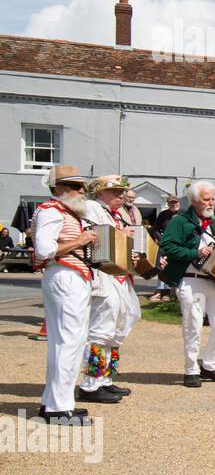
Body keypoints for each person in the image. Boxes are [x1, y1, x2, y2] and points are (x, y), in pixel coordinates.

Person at [159, 181, 215, 387]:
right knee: (193, 325)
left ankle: (209, 365)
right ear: (194, 201)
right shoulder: (179, 221)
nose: (211, 203)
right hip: (192, 280)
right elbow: (167, 246)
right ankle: (191, 370)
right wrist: (194, 253)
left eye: (213, 199)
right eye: (207, 199)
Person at [32, 165, 97, 423]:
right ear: (59, 189)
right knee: (67, 341)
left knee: (70, 341)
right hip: (64, 275)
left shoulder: (66, 212)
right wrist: (80, 241)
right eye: (75, 186)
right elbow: (44, 249)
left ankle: (55, 402)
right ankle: (59, 408)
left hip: (72, 275)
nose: (82, 191)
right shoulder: (51, 210)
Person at [77, 175, 142, 404]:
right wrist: (122, 237)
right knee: (100, 330)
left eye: (122, 192)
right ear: (99, 192)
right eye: (115, 191)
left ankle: (106, 377)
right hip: (104, 277)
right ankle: (90, 384)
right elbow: (96, 238)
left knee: (120, 326)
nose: (121, 195)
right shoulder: (92, 208)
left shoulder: (115, 214)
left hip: (119, 277)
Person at [149, 194, 181, 302]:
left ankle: (174, 292)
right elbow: (155, 229)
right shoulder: (163, 215)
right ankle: (161, 291)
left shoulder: (184, 214)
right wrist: (161, 239)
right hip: (166, 245)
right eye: (171, 203)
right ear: (168, 204)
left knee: (177, 267)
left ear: (179, 203)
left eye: (175, 202)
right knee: (162, 265)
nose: (174, 204)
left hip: (180, 246)